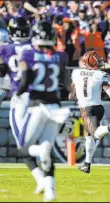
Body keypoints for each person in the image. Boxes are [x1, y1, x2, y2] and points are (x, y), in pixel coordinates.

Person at [16, 20, 71, 202]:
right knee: (48, 149)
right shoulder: (60, 56)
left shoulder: (28, 53)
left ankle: (40, 152)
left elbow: (24, 81)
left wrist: (17, 94)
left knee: (24, 148)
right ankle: (50, 191)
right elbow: (68, 84)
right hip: (55, 108)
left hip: (37, 107)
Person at [0, 17, 45, 193]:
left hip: (20, 98)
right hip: (40, 97)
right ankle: (41, 180)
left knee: (23, 144)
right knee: (32, 140)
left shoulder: (5, 48)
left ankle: (41, 153)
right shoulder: (34, 47)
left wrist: (8, 86)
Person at [69, 51, 110, 174]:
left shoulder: (76, 73)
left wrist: (77, 95)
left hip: (87, 108)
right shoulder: (101, 75)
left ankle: (109, 127)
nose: (100, 64)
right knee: (89, 136)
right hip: (99, 107)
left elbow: (71, 95)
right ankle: (87, 164)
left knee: (95, 134)